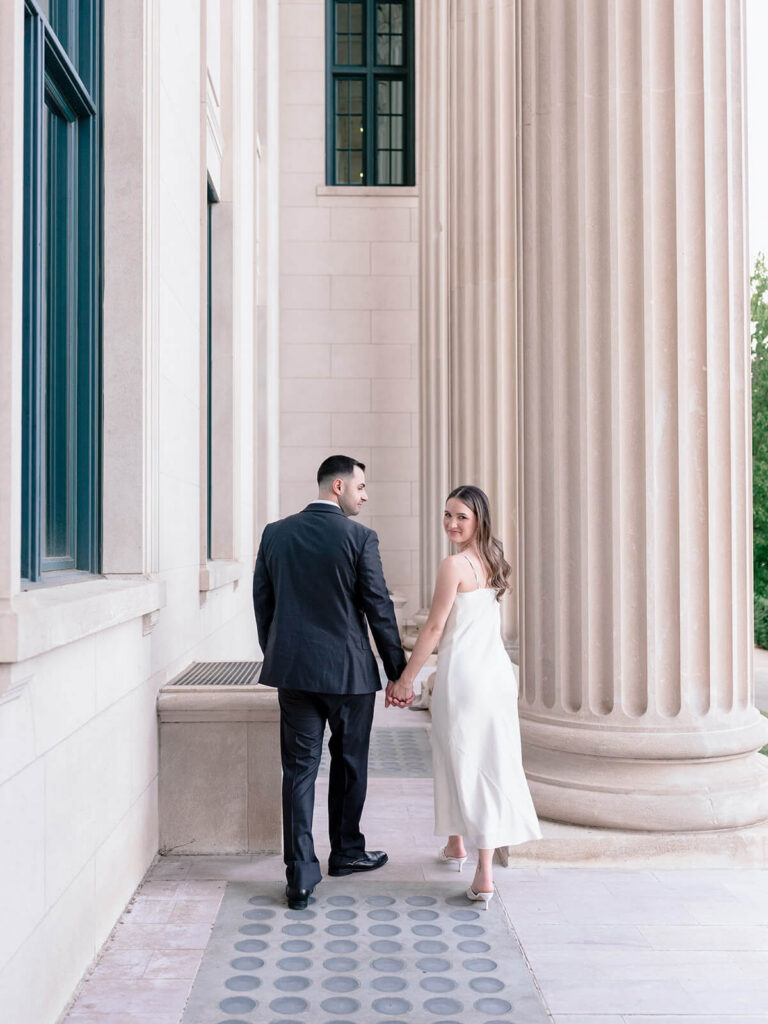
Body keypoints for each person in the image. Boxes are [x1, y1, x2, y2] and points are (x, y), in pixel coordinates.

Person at [253, 455, 407, 909]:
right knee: (350, 763)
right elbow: (379, 607)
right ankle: (346, 852)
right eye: (361, 487)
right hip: (349, 675)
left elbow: (263, 603)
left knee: (299, 771)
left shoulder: (275, 533)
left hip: (295, 672)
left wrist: (279, 653)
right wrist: (398, 672)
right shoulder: (360, 538)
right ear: (338, 486)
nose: (365, 496)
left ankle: (300, 876)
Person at [389, 485, 541, 907]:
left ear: (478, 521)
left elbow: (435, 628)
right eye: (448, 515)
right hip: (496, 676)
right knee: (479, 757)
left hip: (465, 678)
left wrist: (407, 679)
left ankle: (484, 873)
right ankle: (456, 843)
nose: (451, 524)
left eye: (461, 517)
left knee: (464, 760)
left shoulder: (454, 565)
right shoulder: (494, 559)